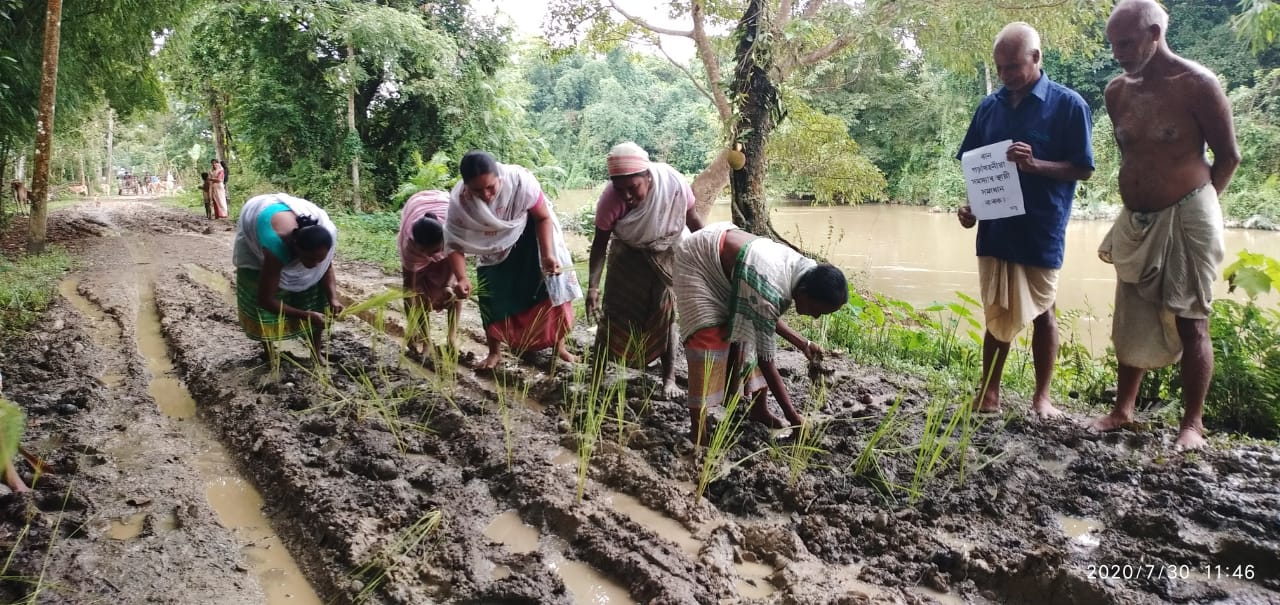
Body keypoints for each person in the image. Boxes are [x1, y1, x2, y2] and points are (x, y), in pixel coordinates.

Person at [1090, 0, 1240, 449]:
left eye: (1128, 42)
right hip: (1137, 218)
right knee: (1130, 312)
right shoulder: (1117, 91)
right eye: (1114, 44)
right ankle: (1122, 410)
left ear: (1155, 33)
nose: (1119, 52)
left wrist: (1198, 205)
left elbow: (1228, 157)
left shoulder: (1198, 84)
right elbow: (1133, 154)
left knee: (1192, 317)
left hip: (1189, 212)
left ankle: (1192, 425)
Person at [956, 22, 1094, 417]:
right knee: (996, 308)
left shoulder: (1069, 105)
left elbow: (1083, 168)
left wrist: (1035, 164)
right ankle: (989, 394)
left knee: (1044, 309)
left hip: (1041, 226)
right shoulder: (989, 107)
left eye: (1014, 66)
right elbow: (976, 166)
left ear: (1037, 59)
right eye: (1000, 68)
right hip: (996, 227)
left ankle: (1042, 398)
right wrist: (971, 208)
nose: (1006, 76)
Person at [675, 223, 848, 445]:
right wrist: (794, 419)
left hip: (738, 268)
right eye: (818, 311)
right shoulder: (771, 289)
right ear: (804, 294)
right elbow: (767, 360)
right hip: (698, 259)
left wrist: (803, 343)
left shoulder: (804, 270)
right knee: (706, 343)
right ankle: (698, 432)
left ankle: (759, 411)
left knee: (752, 332)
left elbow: (764, 315)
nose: (815, 317)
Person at [586, 142, 704, 398]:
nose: (626, 196)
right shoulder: (610, 200)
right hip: (627, 253)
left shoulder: (673, 184)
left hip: (666, 251)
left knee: (664, 312)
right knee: (613, 314)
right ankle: (595, 379)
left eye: (633, 188)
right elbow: (599, 245)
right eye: (620, 190)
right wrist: (593, 287)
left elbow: (693, 221)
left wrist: (709, 256)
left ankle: (669, 379)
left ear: (648, 177)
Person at [443, 151, 581, 370]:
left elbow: (543, 217)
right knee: (493, 297)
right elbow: (453, 242)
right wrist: (461, 277)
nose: (487, 195)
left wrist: (547, 254)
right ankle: (494, 353)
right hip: (493, 248)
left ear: (500, 177)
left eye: (491, 187)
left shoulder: (519, 183)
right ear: (466, 187)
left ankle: (560, 348)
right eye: (478, 191)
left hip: (529, 234)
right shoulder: (460, 203)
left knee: (549, 291)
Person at [232, 193, 343, 360]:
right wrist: (307, 315)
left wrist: (333, 298)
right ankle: (270, 354)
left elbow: (326, 268)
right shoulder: (276, 248)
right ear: (296, 248)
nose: (314, 265)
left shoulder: (323, 240)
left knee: (316, 297)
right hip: (257, 217)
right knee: (259, 292)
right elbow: (265, 301)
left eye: (319, 259)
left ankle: (316, 353)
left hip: (286, 219)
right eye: (309, 259)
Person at [398, 189, 465, 357]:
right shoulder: (410, 246)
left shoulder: (455, 231)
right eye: (425, 252)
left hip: (443, 211)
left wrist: (455, 283)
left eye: (434, 251)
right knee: (420, 295)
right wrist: (411, 326)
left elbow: (460, 275)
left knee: (454, 292)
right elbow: (409, 290)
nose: (430, 256)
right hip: (416, 208)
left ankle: (451, 338)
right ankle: (426, 341)